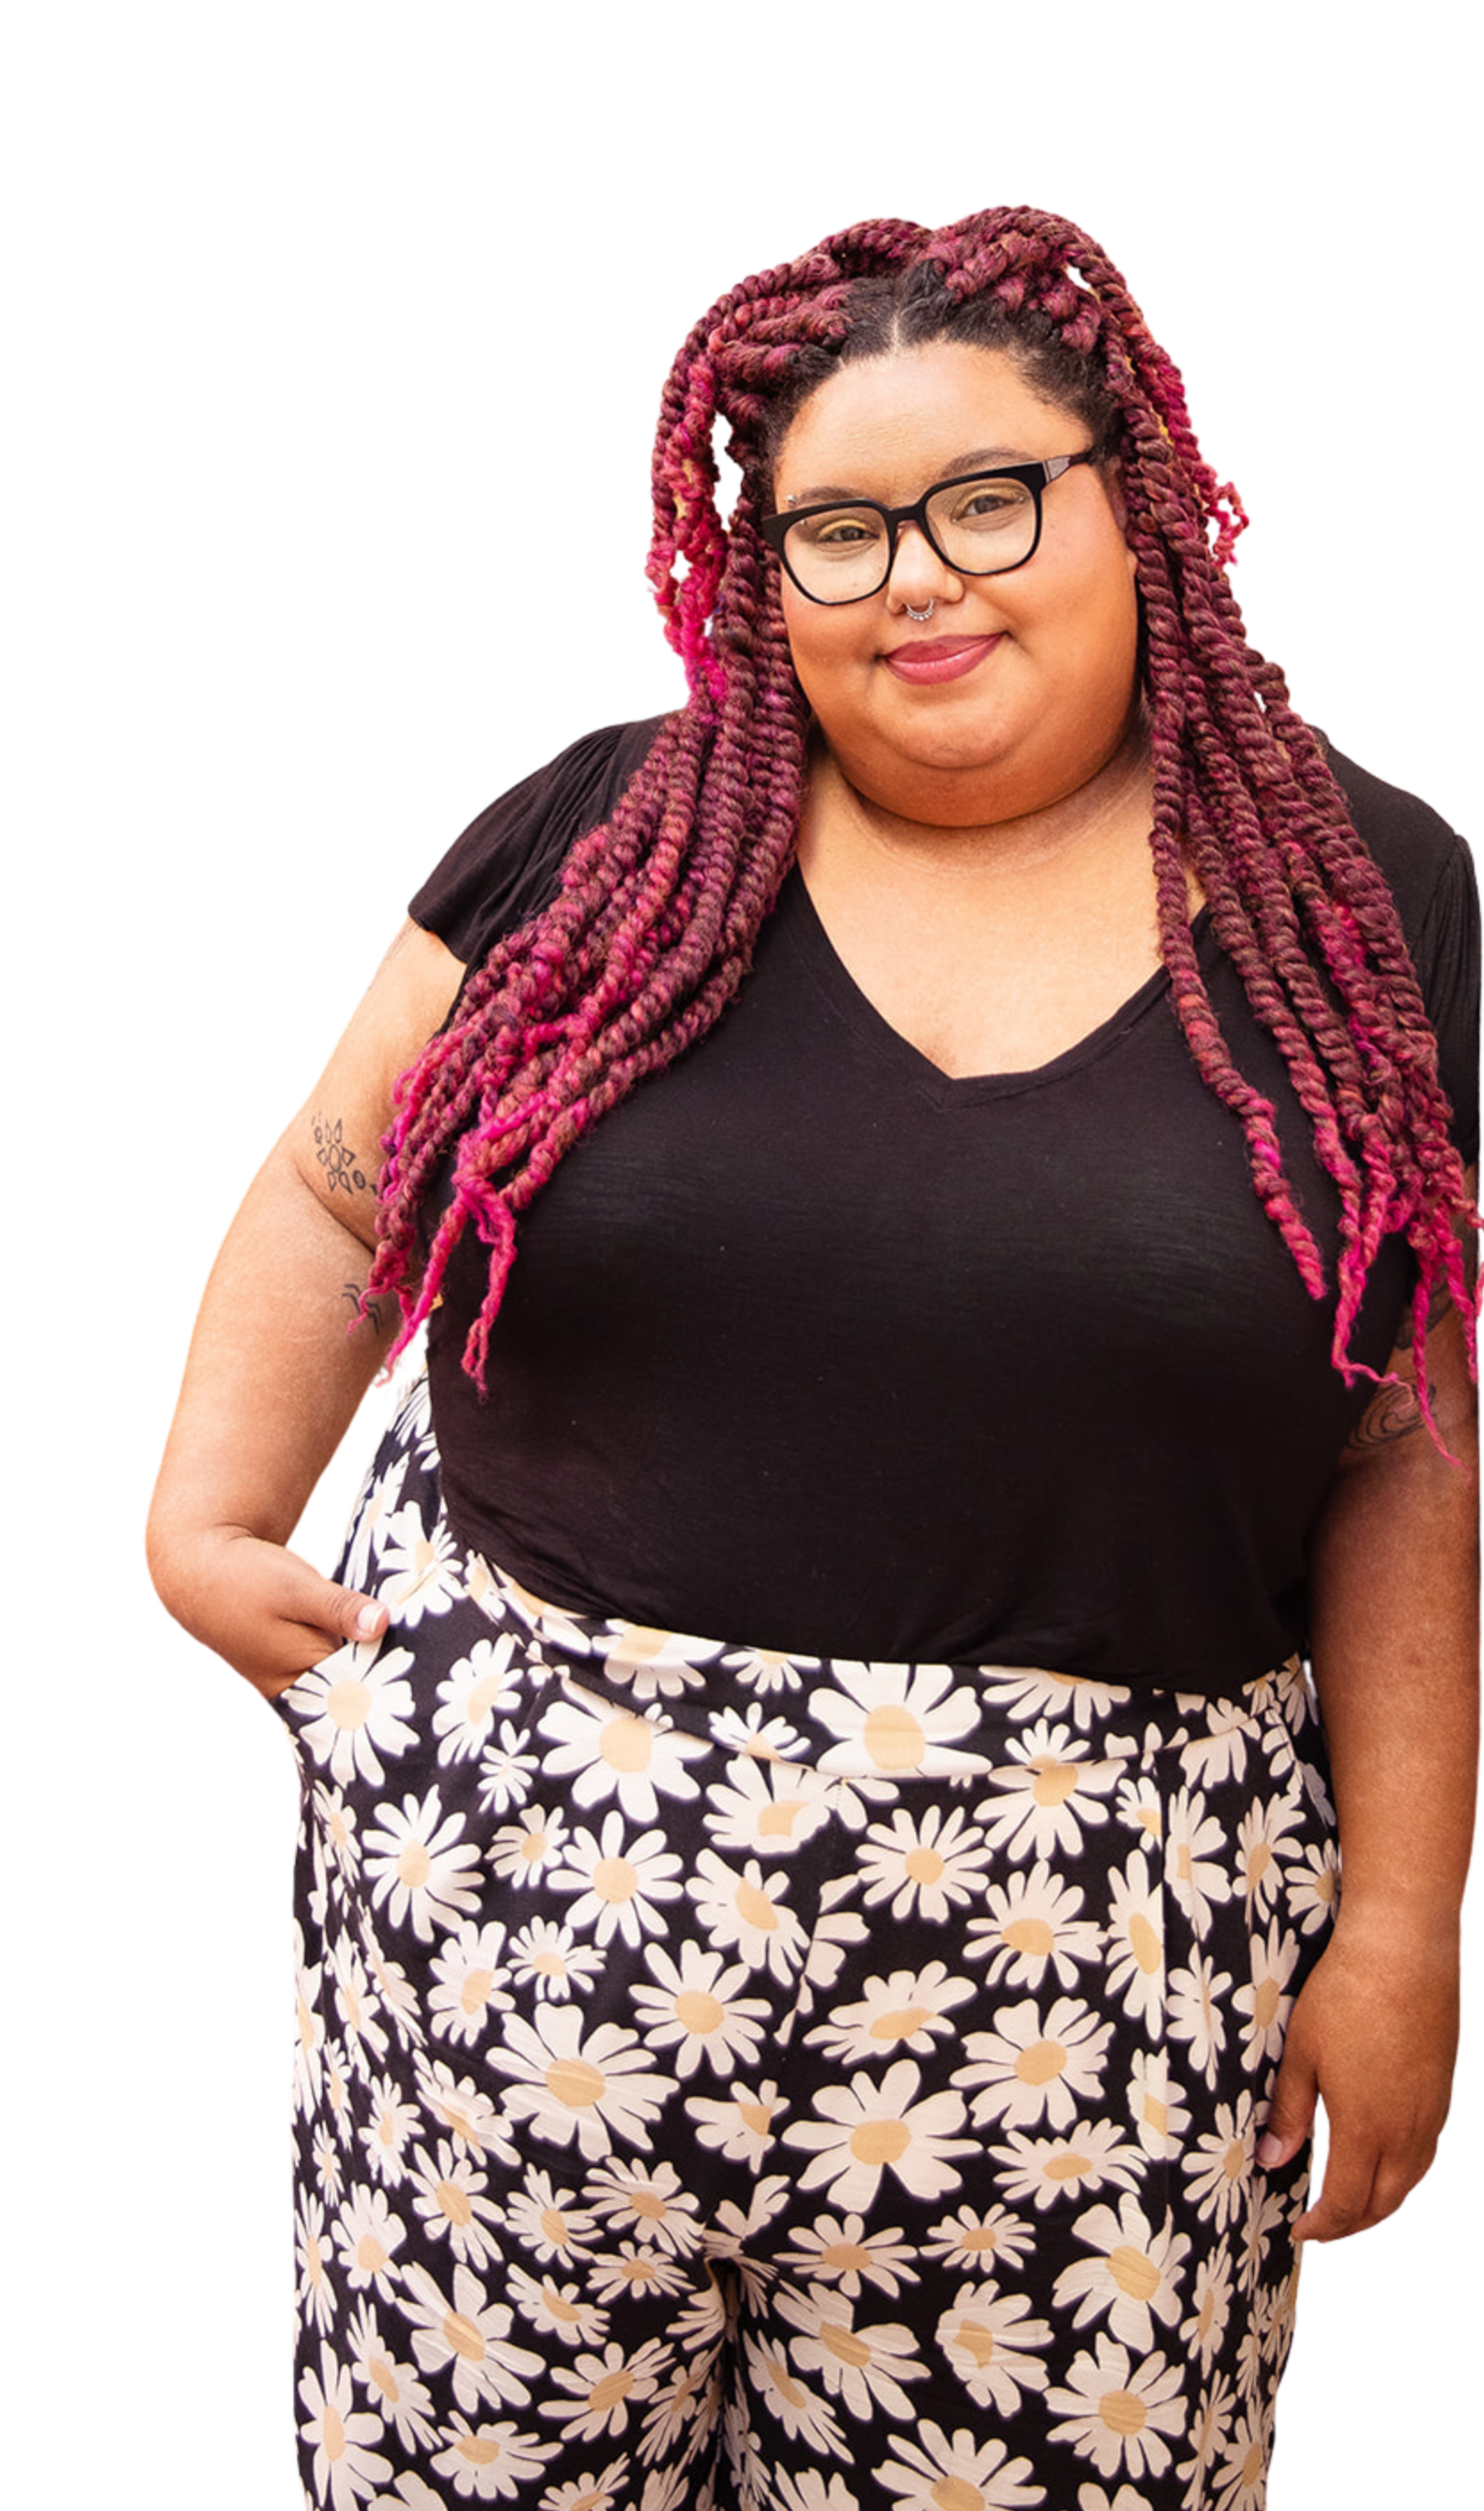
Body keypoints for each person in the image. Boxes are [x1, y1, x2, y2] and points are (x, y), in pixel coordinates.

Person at [145, 206, 1480, 2511]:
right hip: (518, 1947)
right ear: (758, 573)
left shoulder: (1368, 908)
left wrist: (1403, 1930)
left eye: (992, 497)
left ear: (1137, 495)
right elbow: (341, 1187)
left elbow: (1409, 1445)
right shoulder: (608, 840)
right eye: (838, 529)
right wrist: (201, 1509)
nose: (917, 580)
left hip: (1089, 1991)